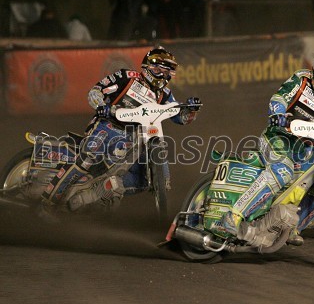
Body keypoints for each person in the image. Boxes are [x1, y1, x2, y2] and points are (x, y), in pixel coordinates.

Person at [221, 47, 314, 247]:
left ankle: (292, 228)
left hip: (309, 151)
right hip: (279, 138)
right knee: (282, 171)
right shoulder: (301, 81)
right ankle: (233, 216)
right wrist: (277, 113)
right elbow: (280, 97)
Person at [37, 47, 201, 219]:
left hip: (136, 139)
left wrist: (191, 110)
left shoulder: (165, 94)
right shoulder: (127, 77)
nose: (163, 75)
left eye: (167, 71)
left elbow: (180, 117)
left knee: (145, 180)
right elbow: (96, 91)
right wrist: (102, 106)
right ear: (147, 67)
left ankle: (101, 191)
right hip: (108, 126)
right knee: (87, 158)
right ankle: (47, 203)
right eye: (159, 70)